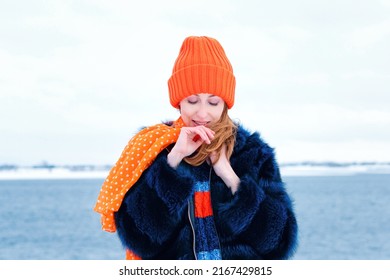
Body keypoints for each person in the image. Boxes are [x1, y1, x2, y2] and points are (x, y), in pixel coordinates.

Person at [94, 36, 298, 260]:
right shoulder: (154, 148)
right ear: (178, 101)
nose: (202, 114)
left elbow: (279, 244)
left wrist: (231, 179)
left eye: (213, 102)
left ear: (225, 104)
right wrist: (173, 162)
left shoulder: (253, 153)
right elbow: (141, 240)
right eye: (192, 101)